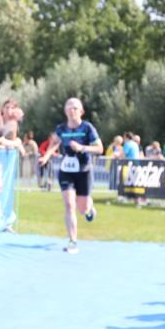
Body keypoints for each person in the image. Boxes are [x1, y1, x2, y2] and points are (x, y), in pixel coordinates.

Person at [38, 97, 103, 254]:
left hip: (84, 171)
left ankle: (89, 209)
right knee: (69, 205)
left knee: (83, 208)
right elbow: (54, 144)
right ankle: (73, 241)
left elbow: (99, 148)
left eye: (75, 108)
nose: (71, 110)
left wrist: (82, 147)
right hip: (66, 171)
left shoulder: (87, 128)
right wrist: (46, 157)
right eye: (68, 107)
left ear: (81, 111)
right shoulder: (61, 129)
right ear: (65, 111)